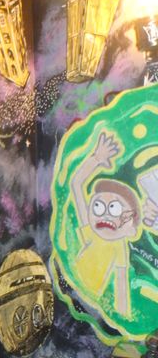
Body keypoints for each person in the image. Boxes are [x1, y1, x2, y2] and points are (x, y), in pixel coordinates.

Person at [71, 132, 157, 318]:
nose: (105, 215)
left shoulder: (119, 247)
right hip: (71, 285)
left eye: (115, 208)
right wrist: (95, 159)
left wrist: (122, 316)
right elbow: (76, 184)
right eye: (98, 206)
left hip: (87, 300)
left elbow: (121, 283)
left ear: (131, 228)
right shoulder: (90, 231)